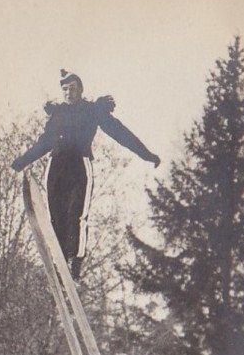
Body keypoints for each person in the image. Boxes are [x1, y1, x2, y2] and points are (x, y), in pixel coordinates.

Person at [12, 69, 160, 279]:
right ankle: (60, 260)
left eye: (72, 88)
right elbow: (44, 144)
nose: (68, 93)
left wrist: (146, 154)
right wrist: (18, 164)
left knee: (77, 215)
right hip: (56, 166)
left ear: (80, 90)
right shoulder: (58, 114)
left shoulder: (92, 111)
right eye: (64, 89)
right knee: (57, 217)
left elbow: (121, 133)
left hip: (79, 166)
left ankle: (76, 260)